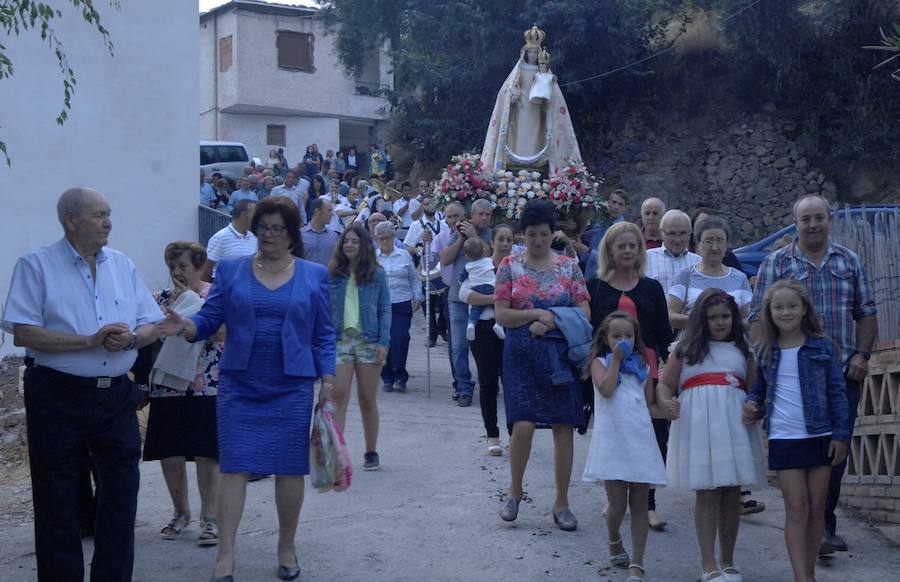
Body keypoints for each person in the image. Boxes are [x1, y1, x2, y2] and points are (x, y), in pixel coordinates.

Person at [157, 196, 335, 581]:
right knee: (234, 466)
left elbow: (323, 334)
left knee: (289, 468)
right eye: (263, 227)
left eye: (277, 228)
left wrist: (329, 382)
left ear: (291, 234)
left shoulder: (313, 274)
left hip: (292, 385)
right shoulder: (232, 271)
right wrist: (185, 327)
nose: (268, 235)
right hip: (239, 383)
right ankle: (226, 554)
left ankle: (286, 547)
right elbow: (209, 318)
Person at [2, 187, 161, 581]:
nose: (108, 222)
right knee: (56, 499)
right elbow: (23, 333)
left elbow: (151, 323)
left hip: (115, 397)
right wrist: (90, 340)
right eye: (98, 215)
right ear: (71, 219)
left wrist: (134, 339)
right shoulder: (36, 265)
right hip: (58, 394)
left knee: (121, 496)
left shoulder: (122, 265)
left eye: (109, 214)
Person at [749, 194, 876, 556]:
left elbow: (866, 310)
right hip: (789, 374)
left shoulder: (848, 261)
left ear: (829, 219)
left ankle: (823, 525)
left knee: (835, 453)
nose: (813, 225)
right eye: (805, 220)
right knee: (796, 453)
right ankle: (806, 525)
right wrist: (763, 371)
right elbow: (758, 318)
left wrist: (862, 355)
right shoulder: (777, 262)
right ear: (796, 224)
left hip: (839, 375)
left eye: (818, 218)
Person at [743, 280, 849, 582]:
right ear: (769, 312)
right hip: (783, 437)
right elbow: (758, 390)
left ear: (804, 309)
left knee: (817, 509)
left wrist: (841, 435)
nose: (786, 312)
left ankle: (809, 573)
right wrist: (751, 404)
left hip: (820, 436)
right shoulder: (765, 350)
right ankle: (801, 577)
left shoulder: (823, 346)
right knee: (796, 507)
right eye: (779, 307)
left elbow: (837, 393)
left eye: (792, 306)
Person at [657, 288, 765, 582]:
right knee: (707, 492)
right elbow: (665, 385)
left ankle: (728, 562)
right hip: (699, 424)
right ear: (700, 320)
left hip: (734, 426)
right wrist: (666, 401)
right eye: (712, 317)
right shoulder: (684, 349)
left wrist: (755, 407)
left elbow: (756, 389)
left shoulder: (744, 350)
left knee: (731, 492)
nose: (720, 322)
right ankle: (708, 564)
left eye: (725, 316)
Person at [495, 200, 591, 532]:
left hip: (559, 354)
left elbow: (584, 313)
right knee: (522, 424)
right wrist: (537, 314)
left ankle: (562, 501)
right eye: (532, 234)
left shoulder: (569, 268)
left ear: (554, 234)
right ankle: (514, 490)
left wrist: (552, 324)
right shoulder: (509, 265)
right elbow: (502, 314)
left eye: (544, 234)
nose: (538, 240)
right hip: (520, 354)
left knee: (564, 427)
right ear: (524, 235)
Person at [586, 220, 673, 531]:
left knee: (655, 433)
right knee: (614, 434)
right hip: (609, 373)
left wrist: (666, 372)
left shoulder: (652, 288)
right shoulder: (595, 287)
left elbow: (664, 333)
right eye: (620, 245)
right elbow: (592, 333)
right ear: (609, 250)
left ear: (639, 250)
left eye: (632, 245)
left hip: (646, 370)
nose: (626, 250)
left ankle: (647, 504)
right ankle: (615, 497)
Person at [143, 242, 222, 547]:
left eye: (183, 267)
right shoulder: (159, 300)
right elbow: (147, 334)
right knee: (171, 452)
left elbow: (224, 332)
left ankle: (210, 518)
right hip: (168, 385)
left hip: (207, 383)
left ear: (201, 267)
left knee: (206, 452)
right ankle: (180, 513)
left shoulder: (214, 296)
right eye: (172, 267)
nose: (177, 273)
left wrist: (192, 318)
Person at [583, 311, 668, 582]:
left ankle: (638, 564)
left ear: (636, 337)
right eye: (616, 335)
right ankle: (613, 538)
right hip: (612, 441)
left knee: (640, 504)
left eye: (628, 336)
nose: (623, 340)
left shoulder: (643, 364)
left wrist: (669, 408)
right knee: (617, 504)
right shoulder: (599, 362)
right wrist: (616, 361)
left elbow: (649, 405)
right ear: (606, 338)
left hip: (639, 439)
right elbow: (606, 390)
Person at [328, 224, 391, 471]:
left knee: (367, 399)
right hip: (339, 340)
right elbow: (323, 308)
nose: (350, 245)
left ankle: (371, 450)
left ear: (364, 245)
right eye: (346, 241)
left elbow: (386, 308)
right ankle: (337, 454)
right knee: (338, 396)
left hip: (369, 340)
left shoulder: (376, 274)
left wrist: (383, 342)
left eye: (355, 241)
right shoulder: (333, 273)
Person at [462, 225, 514, 456]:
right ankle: (492, 434)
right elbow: (465, 294)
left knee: (512, 381)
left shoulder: (516, 266)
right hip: (483, 329)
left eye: (509, 239)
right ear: (492, 242)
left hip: (510, 327)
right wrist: (495, 299)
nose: (504, 243)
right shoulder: (482, 265)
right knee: (488, 381)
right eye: (501, 239)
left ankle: (516, 432)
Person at [440, 199, 494, 407]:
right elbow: (444, 259)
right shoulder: (459, 233)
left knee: (486, 345)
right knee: (459, 346)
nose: (484, 218)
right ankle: (463, 387)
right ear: (472, 215)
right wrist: (461, 239)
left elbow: (490, 256)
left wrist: (474, 237)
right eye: (480, 214)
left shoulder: (492, 235)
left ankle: (488, 383)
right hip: (458, 298)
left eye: (487, 215)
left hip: (486, 299)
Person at [667, 216, 752, 332]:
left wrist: (727, 324)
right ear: (698, 244)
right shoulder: (685, 276)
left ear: (726, 244)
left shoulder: (740, 278)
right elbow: (671, 316)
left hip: (731, 345)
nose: (714, 247)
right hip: (694, 345)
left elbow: (748, 318)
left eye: (719, 241)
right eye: (708, 241)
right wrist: (704, 320)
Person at [374, 221, 423, 393]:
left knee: (400, 339)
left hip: (401, 303)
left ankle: (400, 374)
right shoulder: (373, 258)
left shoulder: (403, 255)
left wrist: (418, 295)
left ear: (393, 238)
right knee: (384, 341)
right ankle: (387, 376)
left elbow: (414, 278)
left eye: (387, 238)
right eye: (381, 239)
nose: (384, 242)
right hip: (380, 306)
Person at [646, 209, 702, 296]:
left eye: (683, 233)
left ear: (690, 233)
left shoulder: (699, 262)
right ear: (661, 233)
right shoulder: (646, 259)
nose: (677, 239)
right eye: (672, 233)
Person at [459, 237, 504, 341]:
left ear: (467, 256)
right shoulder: (489, 261)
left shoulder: (468, 266)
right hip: (491, 287)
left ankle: (471, 324)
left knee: (476, 309)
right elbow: (497, 271)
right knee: (497, 306)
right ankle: (498, 324)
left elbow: (461, 277)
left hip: (476, 288)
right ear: (484, 251)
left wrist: (462, 282)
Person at [204, 199, 257, 281]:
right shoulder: (220, 238)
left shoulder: (254, 238)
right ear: (243, 214)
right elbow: (208, 268)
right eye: (254, 213)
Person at [689, 207, 744, 272]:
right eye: (700, 225)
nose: (704, 229)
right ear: (692, 229)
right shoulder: (684, 257)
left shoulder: (728, 258)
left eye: (708, 225)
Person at [300, 198, 341, 268]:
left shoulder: (334, 236)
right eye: (329, 211)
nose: (332, 214)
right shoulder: (300, 235)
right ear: (317, 212)